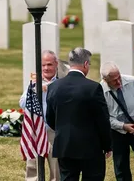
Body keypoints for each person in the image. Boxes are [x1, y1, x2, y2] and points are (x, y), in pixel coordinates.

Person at [46, 47, 112, 181]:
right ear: (86, 64)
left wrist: (63, 131)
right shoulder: (93, 88)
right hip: (91, 147)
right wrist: (107, 145)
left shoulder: (54, 87)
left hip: (65, 146)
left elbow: (50, 117)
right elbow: (102, 120)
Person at [100, 61, 134, 181]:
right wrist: (122, 126)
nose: (119, 82)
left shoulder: (132, 81)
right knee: (120, 165)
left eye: (119, 77)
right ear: (105, 80)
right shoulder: (100, 91)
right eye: (114, 80)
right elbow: (104, 117)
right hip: (117, 131)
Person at [18, 50, 61, 181]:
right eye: (43, 65)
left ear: (56, 64)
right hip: (36, 130)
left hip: (54, 131)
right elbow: (22, 103)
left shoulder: (62, 81)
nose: (46, 68)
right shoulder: (33, 82)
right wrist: (34, 91)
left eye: (49, 64)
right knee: (33, 169)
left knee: (56, 170)